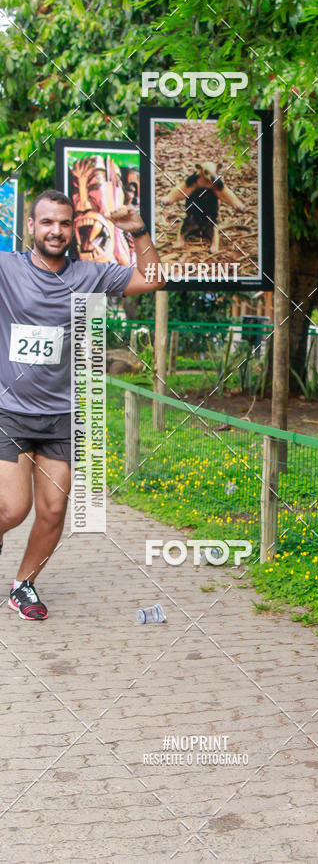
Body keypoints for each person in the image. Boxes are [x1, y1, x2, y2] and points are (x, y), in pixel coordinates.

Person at [2, 188, 164, 620]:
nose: (56, 230)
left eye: (64, 223)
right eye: (47, 222)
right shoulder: (7, 268)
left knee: (54, 510)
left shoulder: (88, 276)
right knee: (12, 509)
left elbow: (152, 279)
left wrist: (140, 233)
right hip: (9, 411)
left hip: (63, 415)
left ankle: (23, 585)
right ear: (32, 227)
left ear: (73, 228)